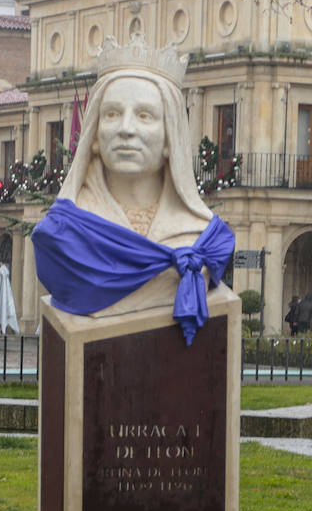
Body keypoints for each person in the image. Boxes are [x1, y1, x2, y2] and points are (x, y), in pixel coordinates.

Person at [32, 34, 236, 346]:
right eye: (112, 114)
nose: (126, 129)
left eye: (145, 116)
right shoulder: (63, 234)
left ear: (171, 138)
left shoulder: (205, 237)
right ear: (95, 135)